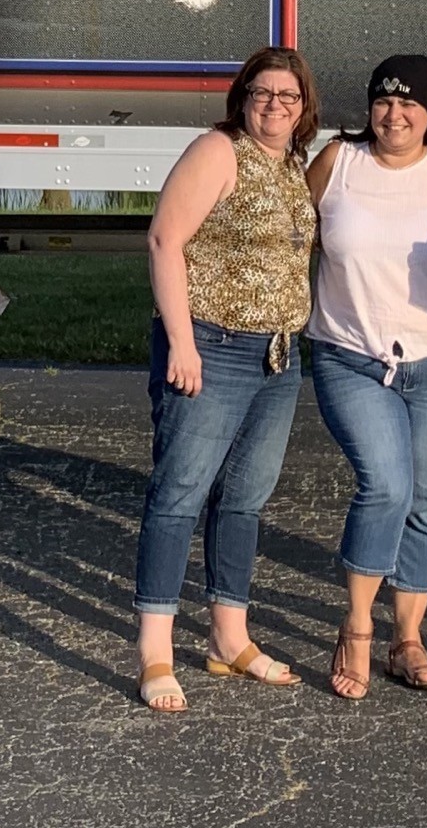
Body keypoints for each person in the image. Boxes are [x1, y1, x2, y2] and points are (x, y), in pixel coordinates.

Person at [134, 46, 319, 712]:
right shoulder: (218, 152)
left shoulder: (293, 164)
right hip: (211, 347)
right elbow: (164, 240)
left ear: (304, 107)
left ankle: (228, 638)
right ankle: (155, 653)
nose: (274, 104)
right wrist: (182, 343)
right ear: (242, 97)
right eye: (262, 92)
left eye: (288, 95)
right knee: (179, 495)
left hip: (277, 357)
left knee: (244, 499)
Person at [305, 55, 427, 700]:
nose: (394, 114)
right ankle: (356, 627)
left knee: (424, 501)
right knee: (385, 486)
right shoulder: (338, 162)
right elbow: (287, 237)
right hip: (349, 355)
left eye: (408, 104)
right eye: (383, 101)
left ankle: (408, 639)